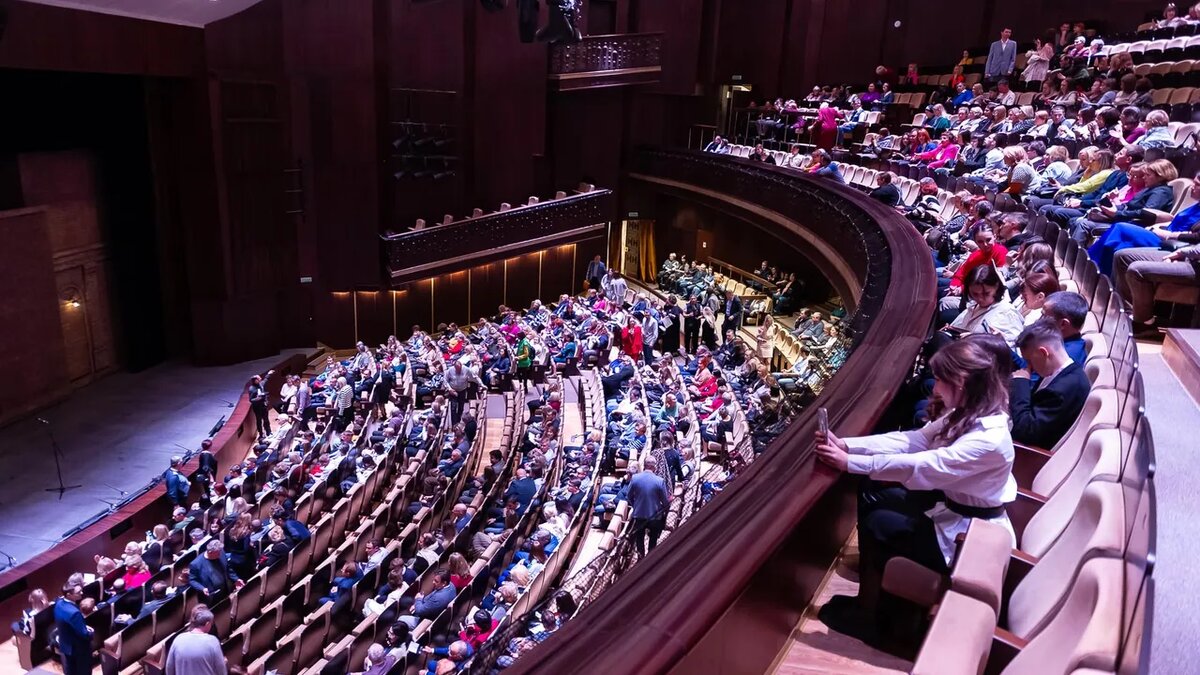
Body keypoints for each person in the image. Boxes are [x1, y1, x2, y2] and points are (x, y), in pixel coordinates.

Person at [813, 339, 1015, 642]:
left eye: (940, 380)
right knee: (877, 498)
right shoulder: (969, 410)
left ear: (960, 382)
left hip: (969, 536)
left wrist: (849, 463)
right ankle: (870, 604)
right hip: (953, 512)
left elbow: (924, 464)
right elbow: (915, 441)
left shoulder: (988, 437)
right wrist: (848, 445)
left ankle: (883, 622)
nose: (935, 387)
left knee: (881, 522)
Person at [1010, 319, 1091, 449]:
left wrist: (1020, 383)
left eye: (1029, 360)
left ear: (1044, 353)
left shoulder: (1063, 390)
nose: (1028, 367)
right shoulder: (1059, 372)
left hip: (1027, 456)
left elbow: (1025, 432)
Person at [627, 456, 670, 556]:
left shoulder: (635, 478)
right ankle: (650, 558)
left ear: (644, 465)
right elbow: (665, 502)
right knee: (653, 539)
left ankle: (640, 557)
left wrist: (636, 505)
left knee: (639, 539)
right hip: (655, 516)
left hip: (639, 514)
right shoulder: (660, 481)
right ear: (654, 467)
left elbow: (629, 496)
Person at [165, 605, 226, 675]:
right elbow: (221, 670)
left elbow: (169, 667)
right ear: (207, 624)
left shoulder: (178, 639)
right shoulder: (213, 641)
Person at [247, 369, 274, 437]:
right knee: (259, 420)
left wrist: (269, 373)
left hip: (263, 405)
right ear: (255, 380)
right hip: (257, 407)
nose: (260, 379)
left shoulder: (260, 384)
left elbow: (265, 379)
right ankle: (261, 434)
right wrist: (257, 399)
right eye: (259, 379)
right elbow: (251, 400)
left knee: (266, 419)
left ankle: (268, 432)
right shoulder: (251, 389)